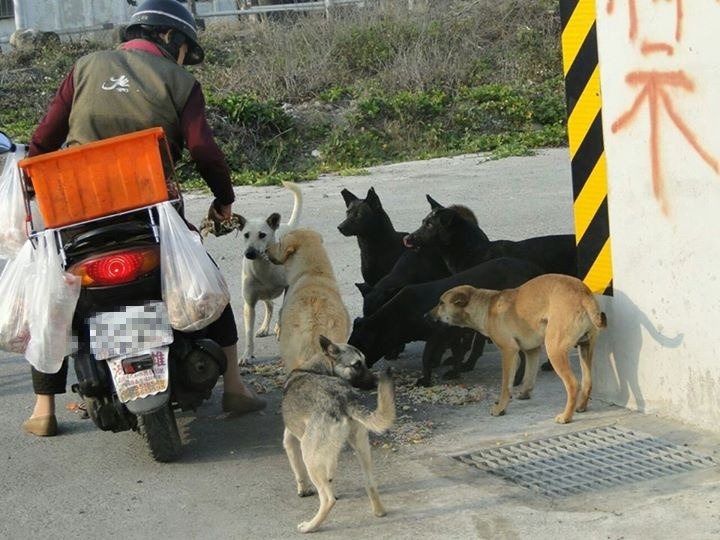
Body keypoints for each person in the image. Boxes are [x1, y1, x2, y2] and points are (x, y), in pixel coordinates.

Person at [22, 0, 265, 437]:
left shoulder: (85, 67)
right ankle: (233, 385)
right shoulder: (180, 81)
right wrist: (223, 200)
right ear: (171, 38)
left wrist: (32, 186)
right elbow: (204, 150)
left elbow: (43, 139)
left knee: (56, 300)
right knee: (205, 283)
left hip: (81, 220)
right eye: (186, 50)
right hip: (153, 221)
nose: (186, 59)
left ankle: (44, 408)